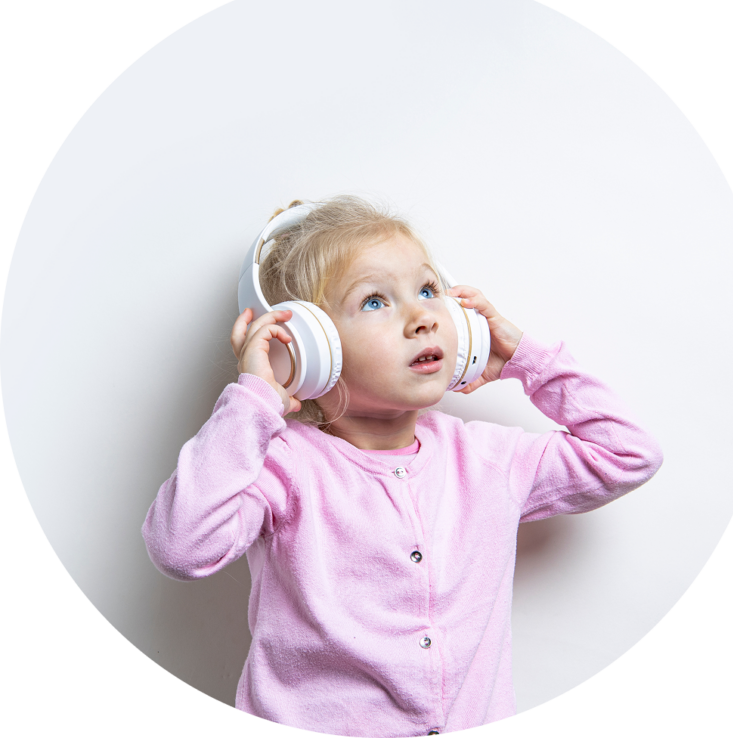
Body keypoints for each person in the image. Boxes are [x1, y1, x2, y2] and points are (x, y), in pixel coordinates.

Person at [142, 195, 663, 736]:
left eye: (428, 290)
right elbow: (181, 547)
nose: (422, 318)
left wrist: (526, 359)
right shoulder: (282, 466)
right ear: (309, 346)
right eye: (375, 301)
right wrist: (254, 400)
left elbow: (629, 453)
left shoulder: (487, 460)